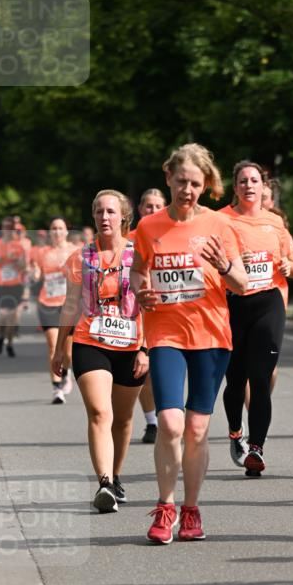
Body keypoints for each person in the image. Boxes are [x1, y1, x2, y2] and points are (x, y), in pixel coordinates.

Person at [131, 143, 247, 543]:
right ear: (168, 178)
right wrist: (141, 291)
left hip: (212, 336)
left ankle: (191, 509)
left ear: (205, 185)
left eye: (195, 183)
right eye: (181, 181)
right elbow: (137, 272)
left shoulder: (219, 226)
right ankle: (165, 506)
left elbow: (243, 283)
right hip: (165, 333)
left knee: (197, 428)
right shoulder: (148, 227)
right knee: (169, 421)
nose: (187, 190)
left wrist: (224, 266)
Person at [51, 190, 148, 512]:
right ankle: (104, 483)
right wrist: (59, 348)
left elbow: (150, 306)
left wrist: (146, 348)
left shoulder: (140, 255)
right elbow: (70, 304)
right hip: (90, 341)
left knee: (122, 418)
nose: (104, 217)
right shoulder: (81, 258)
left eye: (110, 212)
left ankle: (116, 474)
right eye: (98, 212)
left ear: (123, 217)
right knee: (99, 413)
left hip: (131, 345)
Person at [221, 161, 293, 475]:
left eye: (254, 180)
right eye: (243, 181)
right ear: (235, 186)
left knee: (261, 378)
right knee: (235, 380)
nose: (249, 185)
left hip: (269, 302)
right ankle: (235, 433)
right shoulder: (221, 220)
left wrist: (286, 267)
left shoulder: (275, 223)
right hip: (233, 305)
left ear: (261, 185)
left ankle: (256, 448)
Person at [129, 188, 167, 444]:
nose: (152, 210)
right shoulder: (129, 238)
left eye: (157, 206)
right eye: (148, 206)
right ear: (140, 210)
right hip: (137, 313)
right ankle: (152, 421)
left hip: (168, 313)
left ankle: (170, 413)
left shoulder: (171, 233)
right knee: (144, 372)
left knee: (165, 369)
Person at [31, 217, 76, 404]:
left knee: (68, 352)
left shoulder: (75, 250)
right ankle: (56, 389)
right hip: (47, 303)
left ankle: (66, 372)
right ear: (50, 233)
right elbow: (37, 274)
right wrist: (33, 273)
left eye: (60, 228)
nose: (57, 232)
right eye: (53, 228)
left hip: (70, 305)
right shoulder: (42, 252)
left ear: (66, 231)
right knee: (52, 345)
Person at [0, 216, 29, 356]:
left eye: (9, 227)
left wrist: (18, 263)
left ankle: (10, 344)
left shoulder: (19, 246)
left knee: (12, 318)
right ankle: (1, 336)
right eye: (4, 227)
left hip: (15, 285)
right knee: (2, 316)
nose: (6, 230)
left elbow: (25, 266)